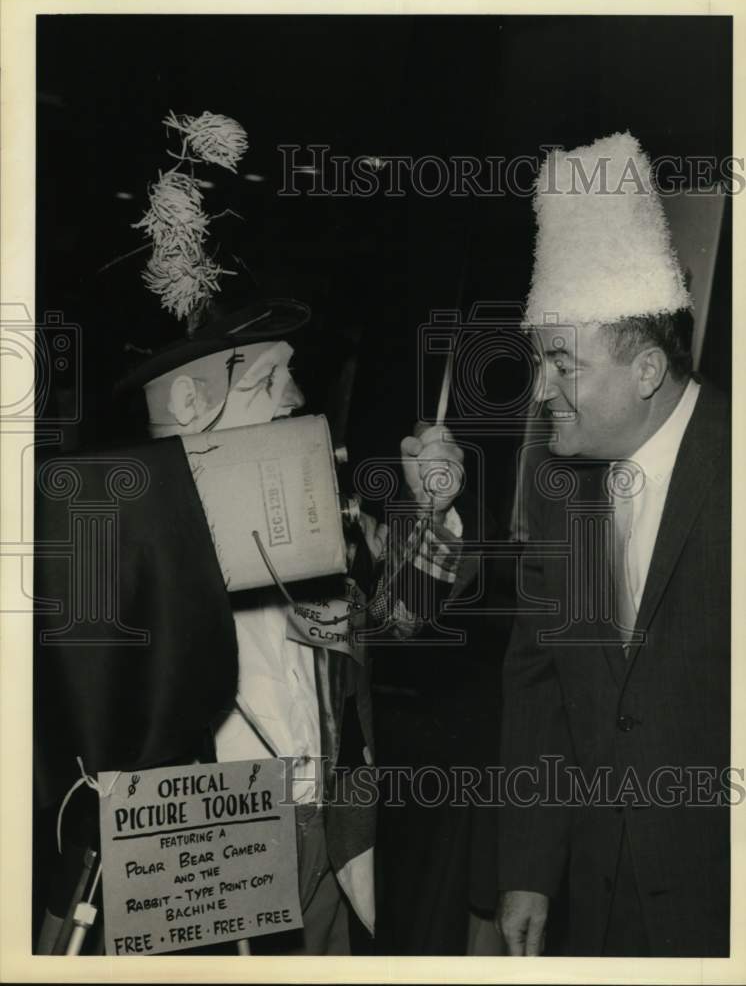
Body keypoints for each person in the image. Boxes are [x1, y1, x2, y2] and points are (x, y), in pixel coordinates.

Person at [33, 297, 466, 956]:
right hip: (208, 847)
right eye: (268, 380)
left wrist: (430, 509)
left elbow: (394, 623)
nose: (295, 396)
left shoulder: (317, 528)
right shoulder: (121, 559)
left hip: (330, 833)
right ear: (191, 408)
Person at [493, 132, 730, 957]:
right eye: (539, 360)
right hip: (599, 903)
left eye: (563, 364)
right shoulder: (562, 491)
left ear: (645, 371)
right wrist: (527, 867)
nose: (542, 390)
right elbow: (538, 689)